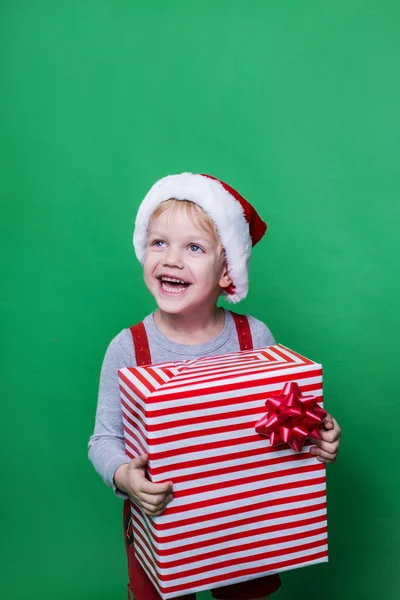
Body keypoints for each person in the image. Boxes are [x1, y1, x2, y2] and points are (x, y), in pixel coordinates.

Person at [88, 173, 341, 600]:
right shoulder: (128, 347)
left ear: (227, 270)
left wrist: (319, 431)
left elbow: (285, 415)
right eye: (158, 242)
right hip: (164, 521)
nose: (171, 259)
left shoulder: (255, 338)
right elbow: (103, 438)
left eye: (194, 247)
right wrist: (124, 476)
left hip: (243, 519)